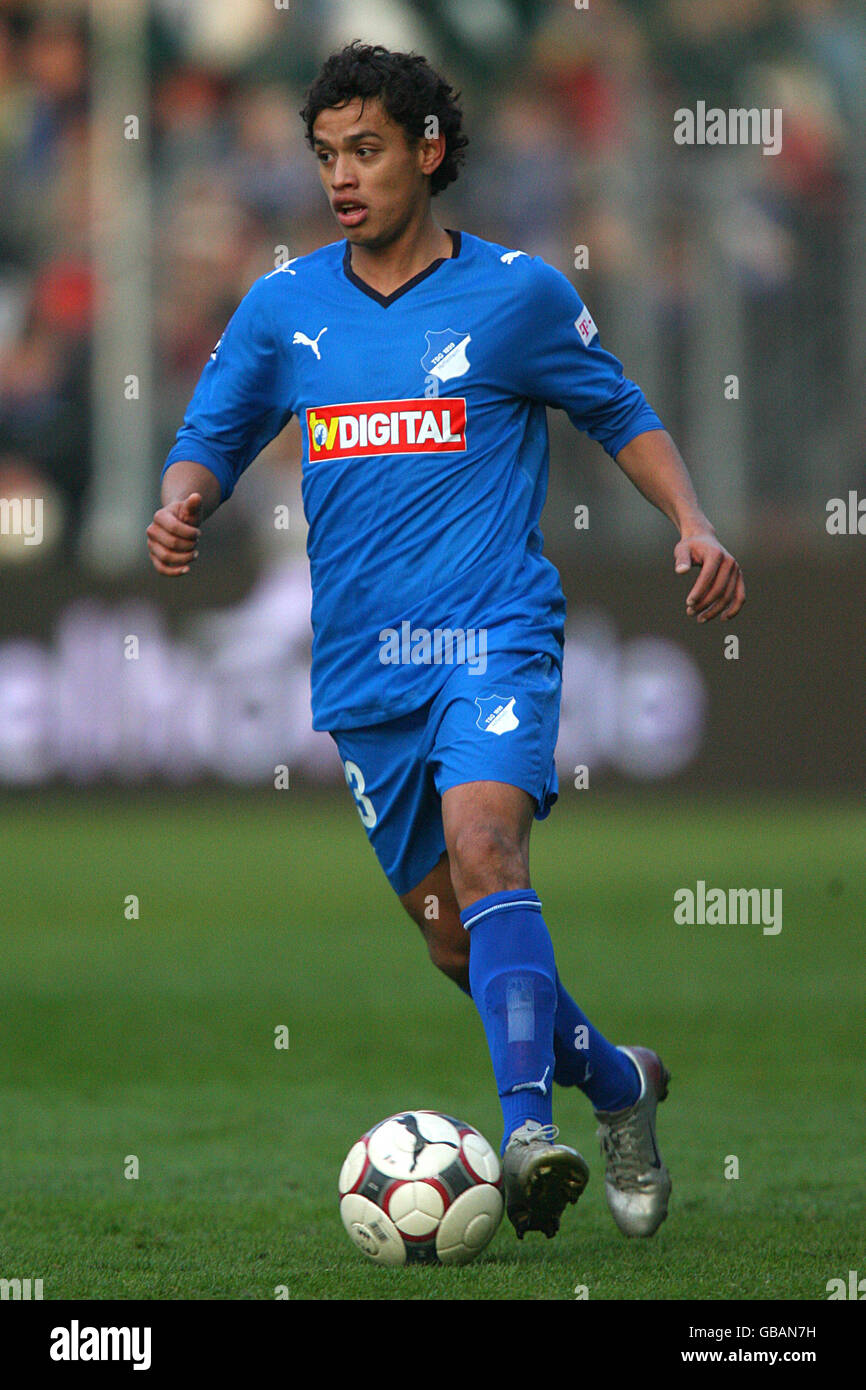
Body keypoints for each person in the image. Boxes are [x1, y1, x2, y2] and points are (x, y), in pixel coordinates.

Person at [148, 41, 745, 1242]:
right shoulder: (285, 307)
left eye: (365, 150)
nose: (341, 178)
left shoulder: (515, 296)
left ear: (427, 150)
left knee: (489, 850)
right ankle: (616, 1083)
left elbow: (619, 407)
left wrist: (689, 522)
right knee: (453, 946)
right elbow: (208, 430)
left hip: (491, 633)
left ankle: (526, 1131)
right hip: (366, 669)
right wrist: (183, 500)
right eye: (325, 156)